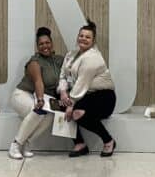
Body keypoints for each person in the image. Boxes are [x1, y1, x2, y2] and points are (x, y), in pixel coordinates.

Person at [58, 20, 117, 158]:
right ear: (77, 37)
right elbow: (63, 76)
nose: (83, 39)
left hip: (103, 97)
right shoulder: (70, 54)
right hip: (83, 94)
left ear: (93, 40)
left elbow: (81, 83)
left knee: (76, 112)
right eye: (81, 35)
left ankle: (108, 141)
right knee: (60, 105)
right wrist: (62, 92)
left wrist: (70, 103)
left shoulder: (93, 57)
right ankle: (80, 144)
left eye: (87, 37)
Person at [8, 27, 64, 159]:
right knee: (38, 111)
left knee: (50, 116)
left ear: (52, 43)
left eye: (47, 43)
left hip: (42, 97)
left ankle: (27, 143)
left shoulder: (58, 60)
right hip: (22, 95)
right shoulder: (35, 62)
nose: (45, 46)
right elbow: (39, 82)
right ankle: (15, 144)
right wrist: (40, 100)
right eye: (41, 44)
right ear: (37, 46)